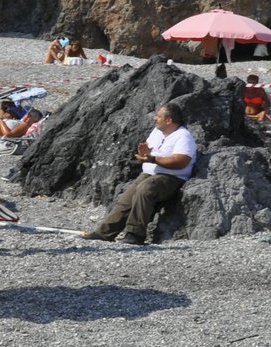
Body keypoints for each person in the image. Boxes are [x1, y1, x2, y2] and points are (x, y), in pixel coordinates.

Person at [81, 102, 197, 245]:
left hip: (172, 177)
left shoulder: (183, 136)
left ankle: (135, 234)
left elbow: (181, 161)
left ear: (169, 120)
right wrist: (145, 155)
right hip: (149, 173)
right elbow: (148, 151)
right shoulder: (156, 132)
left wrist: (153, 159)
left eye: (158, 116)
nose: (155, 118)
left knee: (145, 189)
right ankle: (105, 232)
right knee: (126, 199)